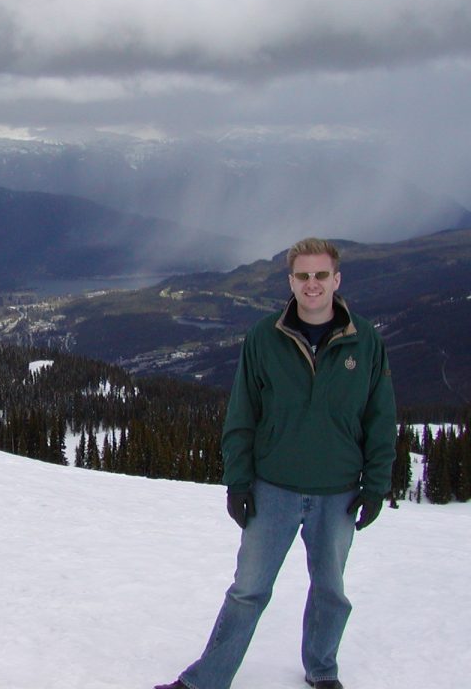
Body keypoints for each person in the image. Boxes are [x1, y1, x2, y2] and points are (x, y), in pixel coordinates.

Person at [155, 237, 396, 689]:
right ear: (290, 281)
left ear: (336, 279)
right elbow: (242, 415)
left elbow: (381, 418)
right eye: (303, 276)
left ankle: (322, 671)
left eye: (321, 275)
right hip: (273, 489)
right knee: (247, 592)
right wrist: (238, 482)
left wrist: (376, 484)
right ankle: (206, 681)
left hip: (338, 492)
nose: (312, 284)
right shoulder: (264, 338)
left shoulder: (365, 341)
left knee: (330, 593)